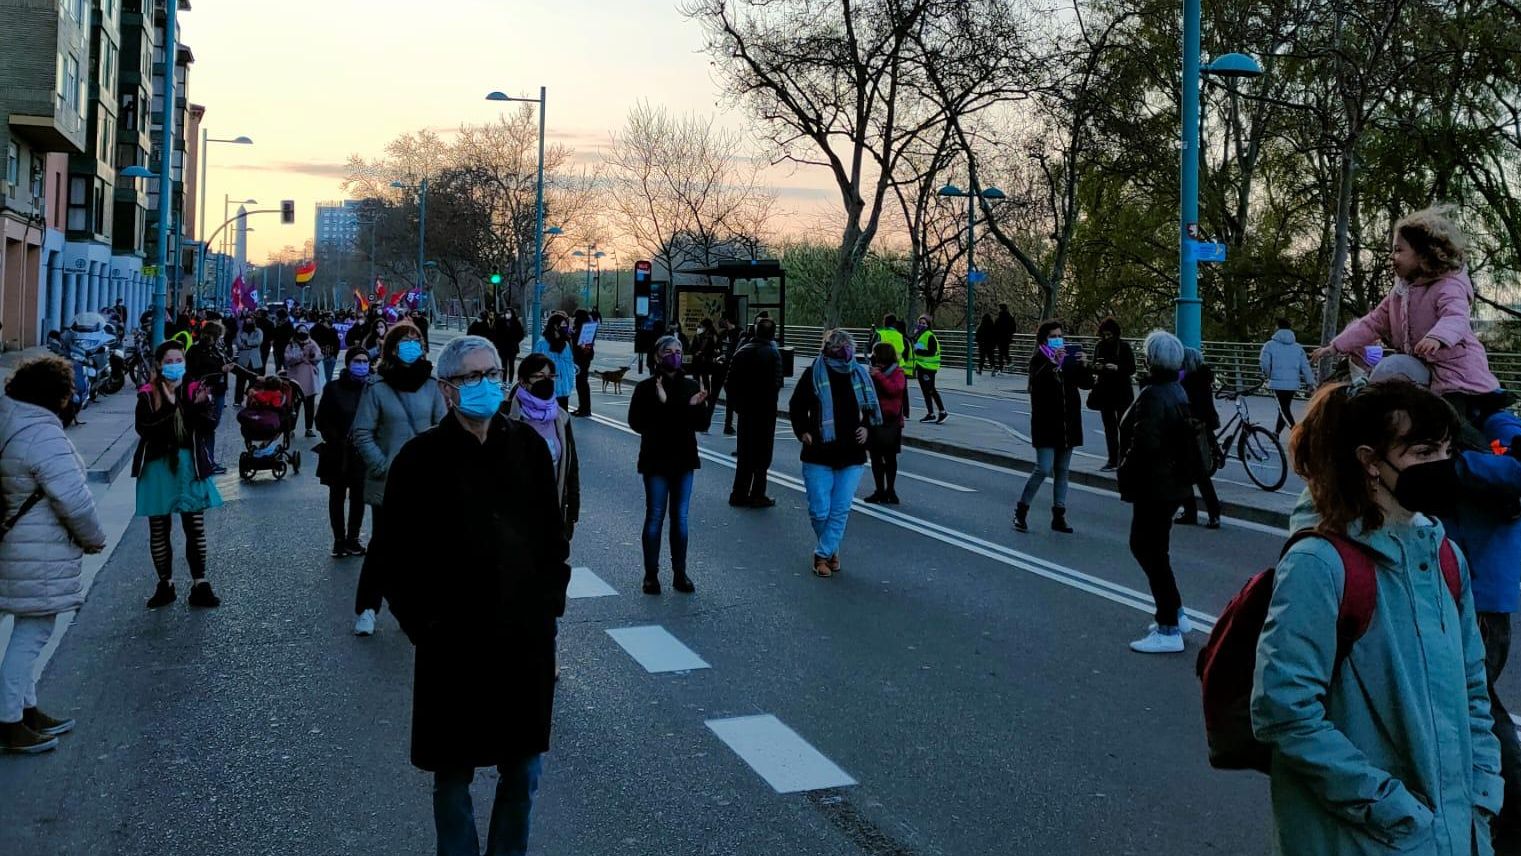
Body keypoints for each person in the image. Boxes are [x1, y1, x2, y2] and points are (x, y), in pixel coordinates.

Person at [1251, 380, 1502, 855]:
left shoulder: (1445, 557)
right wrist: (1393, 809)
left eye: (1447, 450)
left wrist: (1482, 794)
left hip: (1453, 834)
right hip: (1365, 838)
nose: (1442, 465)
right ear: (1370, 461)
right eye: (1423, 452)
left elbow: (1474, 689)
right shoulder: (1318, 565)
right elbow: (1284, 712)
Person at [368, 335, 571, 856]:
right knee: (452, 776)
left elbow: (553, 540)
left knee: (523, 769)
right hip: (453, 644)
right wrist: (424, 626)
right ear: (448, 390)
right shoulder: (420, 459)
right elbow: (393, 554)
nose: (485, 385)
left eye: (492, 374)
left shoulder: (527, 448)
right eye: (472, 377)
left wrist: (548, 610)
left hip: (522, 640)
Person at [0, 357, 107, 754]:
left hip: (16, 544)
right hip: (36, 549)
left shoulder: (11, 419)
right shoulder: (41, 434)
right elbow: (74, 500)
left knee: (29, 626)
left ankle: (25, 710)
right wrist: (94, 539)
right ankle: (8, 721)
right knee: (33, 632)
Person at [1313, 205, 1500, 401]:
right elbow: (1372, 322)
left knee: (1453, 415)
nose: (1392, 256)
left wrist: (1437, 338)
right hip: (1422, 367)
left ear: (1423, 255)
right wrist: (1336, 346)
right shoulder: (1400, 294)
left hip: (1457, 374)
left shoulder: (1448, 286)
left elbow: (1455, 316)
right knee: (1392, 370)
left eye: (1398, 250)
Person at [350, 323, 447, 637]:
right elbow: (362, 432)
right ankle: (367, 608)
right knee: (383, 545)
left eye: (416, 340)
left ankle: (419, 607)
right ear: (391, 348)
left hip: (426, 481)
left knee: (426, 546)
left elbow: (443, 427)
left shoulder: (431, 385)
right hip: (389, 481)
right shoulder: (377, 387)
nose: (411, 345)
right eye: (405, 340)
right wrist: (382, 465)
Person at [1116, 331, 1191, 654]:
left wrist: (1123, 470)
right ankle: (1176, 612)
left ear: (1150, 360)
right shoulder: (1176, 390)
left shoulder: (1153, 395)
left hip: (1154, 485)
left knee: (1146, 548)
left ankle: (1168, 627)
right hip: (1172, 483)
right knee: (1157, 550)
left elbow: (1143, 444)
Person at [134, 340, 223, 610]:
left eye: (178, 361)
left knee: (194, 526)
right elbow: (146, 428)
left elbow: (209, 424)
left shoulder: (196, 389)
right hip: (158, 466)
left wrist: (192, 406)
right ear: (160, 365)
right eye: (169, 362)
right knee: (159, 528)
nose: (174, 366)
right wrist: (172, 407)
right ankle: (165, 584)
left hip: (189, 465)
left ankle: (200, 583)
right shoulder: (147, 394)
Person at [789, 329, 881, 578]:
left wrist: (867, 428)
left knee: (840, 509)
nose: (843, 352)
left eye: (846, 347)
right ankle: (831, 550)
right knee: (819, 510)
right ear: (828, 349)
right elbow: (796, 405)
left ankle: (821, 555)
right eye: (838, 347)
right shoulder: (814, 373)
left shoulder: (859, 373)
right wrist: (803, 431)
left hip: (852, 453)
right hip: (819, 451)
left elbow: (871, 408)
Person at [628, 335, 709, 595]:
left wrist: (694, 406)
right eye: (669, 351)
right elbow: (637, 423)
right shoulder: (646, 388)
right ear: (657, 356)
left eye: (678, 351)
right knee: (655, 516)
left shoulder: (690, 385)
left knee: (680, 519)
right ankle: (651, 575)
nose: (674, 355)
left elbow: (702, 424)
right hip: (655, 460)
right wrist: (667, 406)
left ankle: (680, 573)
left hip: (684, 460)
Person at [1014, 320, 1094, 534]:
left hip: (1068, 424)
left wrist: (1084, 365)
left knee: (1062, 470)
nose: (1058, 340)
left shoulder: (1068, 359)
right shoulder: (1039, 360)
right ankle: (1021, 509)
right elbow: (1037, 386)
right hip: (1046, 424)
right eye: (1053, 337)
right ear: (1044, 340)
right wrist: (1053, 364)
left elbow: (1087, 384)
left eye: (1060, 336)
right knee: (1043, 468)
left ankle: (1059, 515)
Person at [506, 354, 580, 542]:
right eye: (539, 376)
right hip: (516, 516)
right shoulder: (506, 417)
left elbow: (571, 466)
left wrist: (572, 510)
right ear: (523, 381)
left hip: (552, 511)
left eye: (550, 377)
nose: (546, 381)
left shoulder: (561, 418)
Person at [315, 347, 370, 558]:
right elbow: (321, 419)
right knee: (337, 496)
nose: (362, 365)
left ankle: (353, 539)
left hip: (362, 452)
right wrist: (336, 439)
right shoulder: (333, 388)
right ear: (348, 363)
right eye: (357, 361)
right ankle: (339, 540)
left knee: (358, 497)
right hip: (337, 451)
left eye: (365, 361)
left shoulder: (372, 389)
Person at [725, 317, 783, 508]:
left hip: (746, 411)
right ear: (773, 333)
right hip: (765, 412)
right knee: (762, 455)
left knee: (745, 454)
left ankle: (738, 493)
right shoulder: (773, 354)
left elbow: (730, 382)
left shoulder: (742, 351)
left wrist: (738, 405)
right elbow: (776, 384)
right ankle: (758, 494)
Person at [1175, 347, 1222, 529]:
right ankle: (1212, 513)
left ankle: (1192, 511)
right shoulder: (1203, 378)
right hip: (1203, 428)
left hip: (1191, 428)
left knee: (1186, 473)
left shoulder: (1187, 380)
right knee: (1200, 474)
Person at [1088, 317, 1135, 471]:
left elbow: (1132, 368)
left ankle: (1124, 459)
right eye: (1105, 335)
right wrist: (1098, 367)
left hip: (1122, 391)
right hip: (1105, 391)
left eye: (1109, 335)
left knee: (1125, 427)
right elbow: (1094, 366)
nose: (1107, 337)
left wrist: (1117, 368)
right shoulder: (1099, 346)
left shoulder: (1124, 347)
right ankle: (1112, 459)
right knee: (1109, 429)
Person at [185, 321, 232, 474]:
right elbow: (195, 372)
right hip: (205, 392)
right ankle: (205, 461)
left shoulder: (216, 350)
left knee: (211, 426)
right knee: (207, 426)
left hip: (218, 390)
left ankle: (208, 460)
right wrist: (220, 369)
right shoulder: (196, 350)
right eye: (218, 336)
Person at [865, 341, 909, 505]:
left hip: (891, 421)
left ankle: (890, 490)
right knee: (876, 458)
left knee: (890, 458)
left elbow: (894, 390)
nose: (873, 356)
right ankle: (879, 490)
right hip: (875, 420)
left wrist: (879, 376)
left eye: (875, 353)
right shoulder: (873, 371)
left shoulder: (897, 372)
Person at [1260, 318, 1316, 433]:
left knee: (1283, 409)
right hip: (1292, 383)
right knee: (1284, 408)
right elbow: (1305, 366)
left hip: (1277, 382)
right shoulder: (1298, 347)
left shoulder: (1269, 345)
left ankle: (1297, 433)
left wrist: (1270, 375)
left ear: (1277, 327)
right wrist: (1310, 382)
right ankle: (1276, 434)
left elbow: (1264, 363)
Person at [283, 325, 323, 437]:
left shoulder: (312, 343)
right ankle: (291, 429)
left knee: (309, 406)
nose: (302, 335)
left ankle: (309, 428)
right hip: (295, 378)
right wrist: (302, 355)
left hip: (310, 379)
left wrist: (313, 356)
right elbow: (288, 359)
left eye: (304, 332)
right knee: (294, 406)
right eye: (300, 332)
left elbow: (319, 356)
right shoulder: (291, 344)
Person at [534, 312, 577, 411]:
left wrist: (571, 378)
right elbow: (535, 364)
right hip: (548, 388)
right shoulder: (542, 343)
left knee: (563, 415)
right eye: (563, 325)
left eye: (566, 325)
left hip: (564, 388)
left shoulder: (565, 343)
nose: (565, 327)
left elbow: (570, 363)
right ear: (555, 326)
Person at [911, 315, 946, 423]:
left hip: (928, 367)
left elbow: (931, 351)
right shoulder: (921, 335)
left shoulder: (929, 335)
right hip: (922, 366)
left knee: (931, 390)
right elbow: (917, 345)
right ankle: (931, 413)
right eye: (920, 323)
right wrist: (915, 336)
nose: (921, 325)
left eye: (924, 323)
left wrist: (918, 351)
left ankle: (942, 411)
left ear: (928, 325)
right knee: (926, 391)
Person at [571, 308, 597, 418]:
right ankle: (583, 407)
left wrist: (572, 334)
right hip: (584, 358)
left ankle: (585, 408)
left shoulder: (583, 328)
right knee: (582, 383)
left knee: (582, 384)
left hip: (581, 358)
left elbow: (580, 343)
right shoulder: (587, 327)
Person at [234, 316, 264, 404]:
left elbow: (258, 341)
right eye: (247, 321)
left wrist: (246, 342)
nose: (248, 323)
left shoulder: (258, 331)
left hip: (255, 359)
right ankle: (238, 400)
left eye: (250, 321)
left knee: (254, 381)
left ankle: (252, 400)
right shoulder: (240, 331)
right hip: (242, 360)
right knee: (240, 381)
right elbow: (239, 343)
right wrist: (251, 344)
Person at [493, 308, 526, 380]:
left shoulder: (516, 322)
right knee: (503, 364)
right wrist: (498, 344)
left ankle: (510, 381)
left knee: (511, 364)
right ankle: (504, 381)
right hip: (503, 347)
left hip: (512, 347)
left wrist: (515, 341)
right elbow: (495, 334)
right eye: (506, 312)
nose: (507, 314)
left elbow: (521, 334)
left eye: (509, 313)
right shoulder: (500, 322)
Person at [311, 314, 341, 385]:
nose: (331, 320)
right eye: (329, 318)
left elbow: (337, 344)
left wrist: (335, 355)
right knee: (319, 379)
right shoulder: (317, 329)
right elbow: (313, 339)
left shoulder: (333, 330)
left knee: (328, 378)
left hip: (331, 357)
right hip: (320, 358)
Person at [270, 309, 294, 374]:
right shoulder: (277, 323)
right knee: (279, 365)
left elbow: (289, 335)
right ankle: (279, 377)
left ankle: (285, 377)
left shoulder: (288, 324)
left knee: (284, 365)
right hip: (278, 347)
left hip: (284, 347)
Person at [994, 304, 1015, 374]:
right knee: (1005, 352)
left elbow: (995, 329)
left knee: (1000, 353)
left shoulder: (998, 319)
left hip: (999, 339)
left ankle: (1001, 368)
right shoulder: (1010, 318)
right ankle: (1009, 362)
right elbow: (1014, 328)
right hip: (1007, 338)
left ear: (1000, 309)